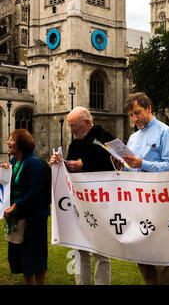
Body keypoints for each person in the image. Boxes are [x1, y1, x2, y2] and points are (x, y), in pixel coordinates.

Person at [49, 106, 115, 285]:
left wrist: (83, 166)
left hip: (101, 205)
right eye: (69, 126)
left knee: (101, 253)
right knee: (79, 250)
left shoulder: (106, 138)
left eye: (74, 126)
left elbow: (114, 170)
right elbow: (67, 174)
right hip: (78, 205)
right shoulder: (74, 144)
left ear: (87, 122)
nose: (71, 130)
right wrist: (59, 164)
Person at [122, 92, 169, 285]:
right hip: (137, 204)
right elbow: (128, 170)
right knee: (143, 257)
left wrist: (142, 163)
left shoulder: (166, 132)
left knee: (164, 259)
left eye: (137, 113)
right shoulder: (132, 138)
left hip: (159, 203)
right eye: (131, 115)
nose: (135, 119)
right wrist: (120, 164)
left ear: (149, 109)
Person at [1, 129, 50, 285]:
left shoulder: (34, 163)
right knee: (22, 258)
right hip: (19, 216)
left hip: (34, 218)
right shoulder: (15, 162)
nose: (8, 142)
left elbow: (36, 191)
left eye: (12, 140)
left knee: (35, 258)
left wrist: (15, 205)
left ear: (22, 144)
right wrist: (5, 170)